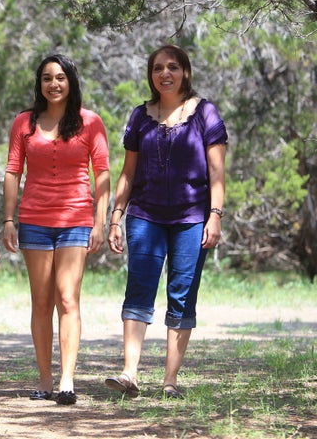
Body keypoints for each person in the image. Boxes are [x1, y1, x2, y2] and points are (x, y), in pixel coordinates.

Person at [104, 44, 227, 400]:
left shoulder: (204, 113)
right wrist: (116, 217)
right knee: (139, 290)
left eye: (172, 67)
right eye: (158, 68)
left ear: (184, 71)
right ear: (151, 75)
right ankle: (129, 373)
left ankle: (169, 380)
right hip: (145, 215)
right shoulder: (141, 116)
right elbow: (127, 173)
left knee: (182, 295)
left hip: (192, 218)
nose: (165, 74)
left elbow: (217, 170)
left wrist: (215, 215)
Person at [2, 54, 110, 405]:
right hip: (33, 219)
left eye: (60, 77)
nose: (54, 84)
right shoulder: (23, 122)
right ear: (40, 84)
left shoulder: (90, 122)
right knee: (42, 301)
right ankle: (45, 380)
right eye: (47, 78)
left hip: (76, 219)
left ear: (71, 81)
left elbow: (103, 172)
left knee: (67, 298)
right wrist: (8, 220)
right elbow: (12, 172)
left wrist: (100, 219)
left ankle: (67, 380)